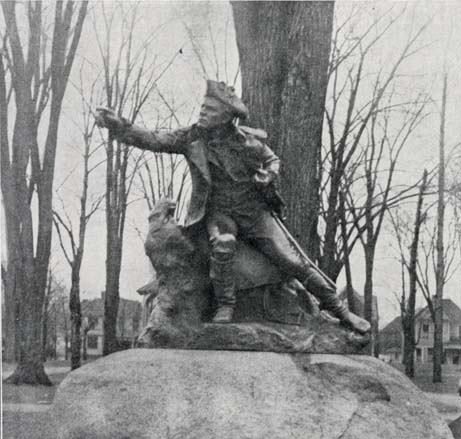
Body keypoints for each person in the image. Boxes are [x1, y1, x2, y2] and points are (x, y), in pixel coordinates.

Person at [96, 80, 370, 334]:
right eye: (203, 107)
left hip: (254, 212)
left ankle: (342, 312)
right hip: (220, 213)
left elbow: (272, 159)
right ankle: (225, 305)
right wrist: (120, 126)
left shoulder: (248, 140)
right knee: (223, 242)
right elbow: (154, 139)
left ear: (227, 115)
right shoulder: (191, 137)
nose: (203, 112)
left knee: (291, 260)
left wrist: (269, 173)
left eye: (210, 109)